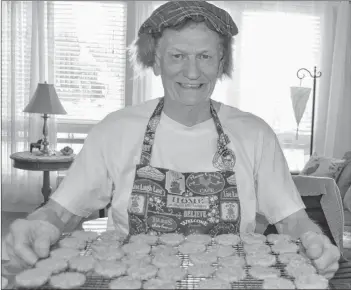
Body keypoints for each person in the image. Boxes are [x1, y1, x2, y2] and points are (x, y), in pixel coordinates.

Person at [5, 0, 340, 279]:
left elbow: (292, 218)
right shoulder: (115, 130)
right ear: (155, 60)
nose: (192, 73)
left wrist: (313, 238)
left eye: (205, 57)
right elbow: (63, 210)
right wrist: (38, 223)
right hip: (129, 280)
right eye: (178, 56)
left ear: (221, 62)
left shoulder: (255, 134)